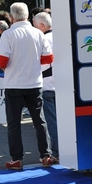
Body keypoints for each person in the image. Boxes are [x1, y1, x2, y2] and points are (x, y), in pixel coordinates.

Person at [0, 2, 55, 170]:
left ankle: (17, 159)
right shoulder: (38, 33)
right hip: (34, 83)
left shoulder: (8, 35)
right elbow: (48, 58)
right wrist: (33, 64)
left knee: (14, 123)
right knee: (40, 121)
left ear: (12, 17)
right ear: (28, 15)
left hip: (14, 84)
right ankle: (46, 155)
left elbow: (2, 61)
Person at [33, 12, 59, 162]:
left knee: (52, 121)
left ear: (42, 26)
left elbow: (44, 65)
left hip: (48, 85)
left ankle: (56, 152)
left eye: (35, 26)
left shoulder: (43, 39)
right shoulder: (62, 37)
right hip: (64, 85)